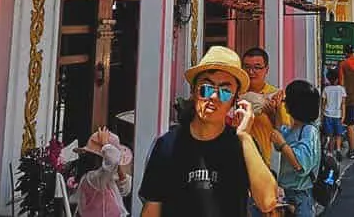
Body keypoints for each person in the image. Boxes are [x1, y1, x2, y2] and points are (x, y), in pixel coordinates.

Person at [138, 45, 278, 215]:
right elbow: (152, 209)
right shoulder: (167, 145)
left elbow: (268, 201)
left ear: (235, 101)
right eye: (206, 88)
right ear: (194, 92)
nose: (214, 97)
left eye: (225, 92)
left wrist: (244, 136)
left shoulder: (241, 146)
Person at [273, 80, 322, 217]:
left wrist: (282, 144)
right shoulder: (294, 128)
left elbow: (301, 165)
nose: (285, 102)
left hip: (300, 194)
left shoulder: (308, 131)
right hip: (287, 192)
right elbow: (279, 140)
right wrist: (276, 112)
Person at [239, 47, 290, 169]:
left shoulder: (277, 96)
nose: (251, 72)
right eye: (247, 67)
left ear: (266, 69)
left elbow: (283, 134)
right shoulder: (233, 92)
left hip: (262, 161)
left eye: (257, 67)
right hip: (235, 156)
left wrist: (272, 115)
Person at [76, 127, 131, 217]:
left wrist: (118, 165)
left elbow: (125, 189)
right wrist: (105, 144)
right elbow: (112, 161)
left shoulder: (107, 178)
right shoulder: (92, 178)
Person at [320, 68, 346, 157]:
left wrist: (322, 115)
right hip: (338, 115)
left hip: (327, 115)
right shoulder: (341, 89)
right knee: (338, 134)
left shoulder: (326, 89)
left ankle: (330, 151)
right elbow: (343, 103)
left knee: (330, 135)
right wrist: (343, 115)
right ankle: (338, 149)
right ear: (337, 79)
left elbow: (323, 103)